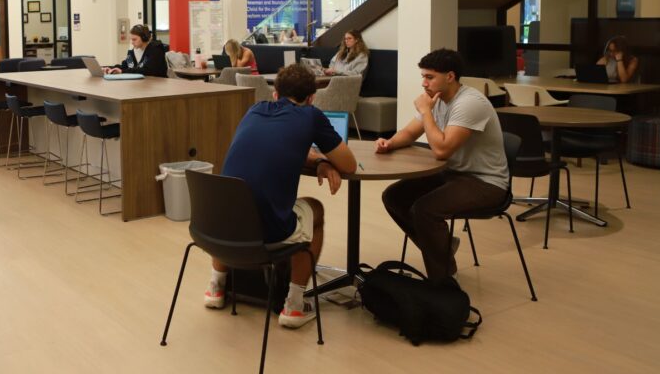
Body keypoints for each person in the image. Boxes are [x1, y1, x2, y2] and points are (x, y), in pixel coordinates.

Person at [204, 64, 357, 328]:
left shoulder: (254, 110)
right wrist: (323, 159)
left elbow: (278, 147)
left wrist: (315, 160)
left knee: (235, 201)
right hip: (264, 233)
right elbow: (349, 165)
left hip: (216, 227)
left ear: (275, 93)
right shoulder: (310, 116)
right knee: (315, 210)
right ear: (311, 98)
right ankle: (295, 305)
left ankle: (216, 288)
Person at [377, 49, 508, 282]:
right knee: (394, 197)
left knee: (425, 210)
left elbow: (441, 150)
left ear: (450, 77)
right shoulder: (438, 99)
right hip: (453, 174)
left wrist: (426, 111)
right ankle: (443, 246)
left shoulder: (469, 103)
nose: (424, 83)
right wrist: (390, 143)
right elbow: (408, 133)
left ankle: (443, 282)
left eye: (430, 77)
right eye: (423, 77)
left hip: (486, 182)